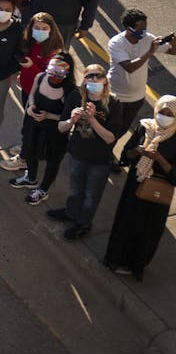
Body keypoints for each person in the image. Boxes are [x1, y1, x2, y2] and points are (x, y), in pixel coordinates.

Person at [103, 96, 176, 281]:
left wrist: (159, 159)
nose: (164, 116)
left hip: (158, 189)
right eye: (162, 112)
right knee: (126, 222)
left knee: (148, 230)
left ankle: (136, 265)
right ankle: (115, 259)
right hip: (135, 183)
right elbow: (125, 156)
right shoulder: (145, 127)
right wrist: (137, 152)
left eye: (169, 114)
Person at [46, 63, 117, 239]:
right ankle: (71, 213)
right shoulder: (76, 96)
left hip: (99, 160)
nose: (93, 79)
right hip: (77, 153)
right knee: (75, 189)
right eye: (89, 76)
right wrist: (71, 120)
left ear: (105, 81)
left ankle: (84, 223)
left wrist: (92, 119)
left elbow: (110, 138)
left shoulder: (113, 103)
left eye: (98, 76)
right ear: (84, 80)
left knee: (91, 195)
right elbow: (61, 128)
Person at [8, 52, 79, 205]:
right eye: (52, 71)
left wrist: (48, 116)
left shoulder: (71, 91)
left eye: (59, 74)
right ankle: (30, 179)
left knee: (53, 161)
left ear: (67, 73)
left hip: (55, 133)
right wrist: (31, 107)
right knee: (30, 152)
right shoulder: (40, 77)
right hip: (35, 126)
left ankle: (43, 189)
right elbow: (32, 94)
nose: (54, 77)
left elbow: (68, 117)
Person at [108, 10, 172, 151]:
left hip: (136, 98)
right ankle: (104, 155)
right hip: (115, 96)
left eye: (145, 27)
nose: (144, 31)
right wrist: (150, 52)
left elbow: (172, 50)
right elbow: (129, 67)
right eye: (140, 28)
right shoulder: (116, 43)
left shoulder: (148, 38)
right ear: (128, 28)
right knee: (111, 128)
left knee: (122, 129)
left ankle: (107, 152)